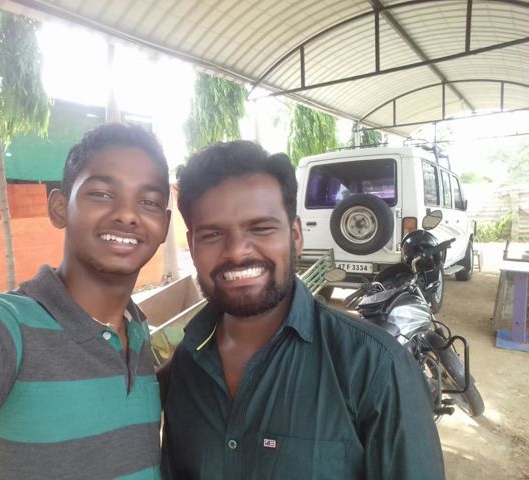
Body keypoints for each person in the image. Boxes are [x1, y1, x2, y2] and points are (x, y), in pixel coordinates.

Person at [0, 124, 171, 479]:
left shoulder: (138, 329)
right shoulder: (0, 326)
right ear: (59, 208)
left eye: (149, 202)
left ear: (165, 226)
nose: (127, 215)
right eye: (101, 194)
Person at [160, 140, 445, 479]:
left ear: (295, 236)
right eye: (212, 234)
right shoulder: (186, 364)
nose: (236, 251)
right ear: (192, 246)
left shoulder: (375, 368)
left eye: (260, 228)